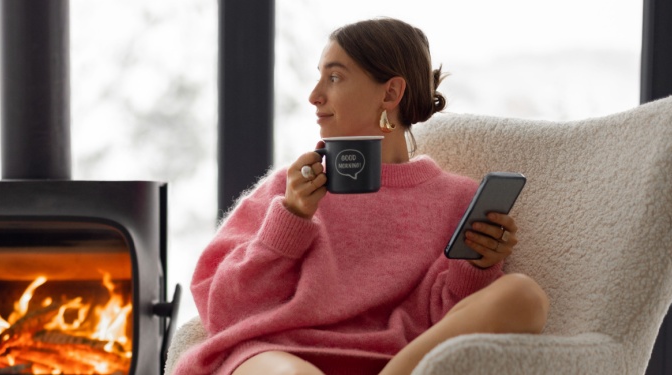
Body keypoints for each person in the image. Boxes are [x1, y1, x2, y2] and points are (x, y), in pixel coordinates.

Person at [171, 18, 550, 375]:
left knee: (524, 294)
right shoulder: (289, 189)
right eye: (319, 77)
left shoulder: (458, 199)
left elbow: (444, 320)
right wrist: (290, 218)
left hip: (397, 363)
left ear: (391, 93)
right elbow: (221, 308)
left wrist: (477, 266)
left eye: (334, 77)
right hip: (278, 357)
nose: (314, 96)